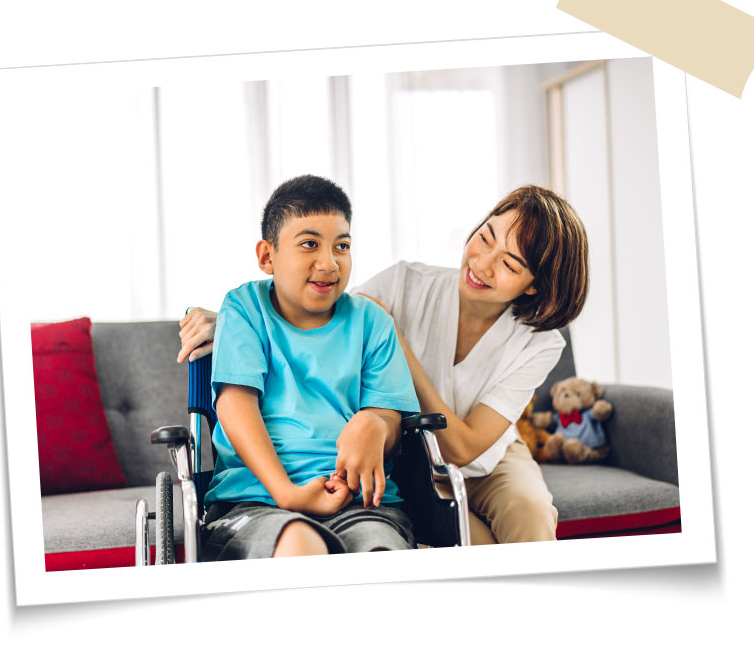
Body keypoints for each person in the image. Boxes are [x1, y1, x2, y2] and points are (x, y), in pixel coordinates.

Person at [180, 185, 589, 545]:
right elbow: (315, 303)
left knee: (532, 513)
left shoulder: (540, 343)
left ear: (533, 284)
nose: (482, 263)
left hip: (484, 453)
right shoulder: (405, 282)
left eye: (510, 264)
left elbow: (464, 448)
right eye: (485, 237)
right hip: (414, 453)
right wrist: (229, 321)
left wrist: (399, 344)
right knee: (469, 543)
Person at [198, 174, 420, 561]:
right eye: (309, 244)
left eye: (342, 246)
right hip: (256, 499)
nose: (329, 262)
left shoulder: (372, 322)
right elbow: (235, 404)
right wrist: (286, 492)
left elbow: (391, 422)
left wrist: (376, 424)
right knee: (301, 546)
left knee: (380, 554)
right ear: (268, 256)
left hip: (362, 502)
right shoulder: (244, 308)